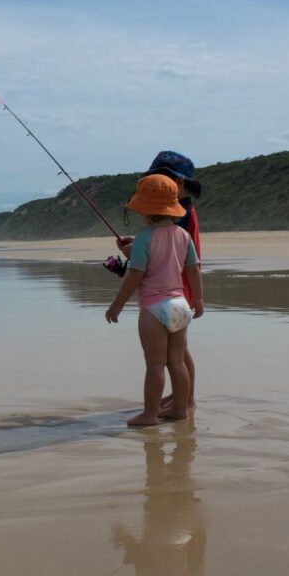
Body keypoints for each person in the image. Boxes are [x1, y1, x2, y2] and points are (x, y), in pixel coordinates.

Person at [106, 174, 204, 427]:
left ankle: (150, 414)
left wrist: (117, 304)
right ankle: (180, 409)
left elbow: (134, 275)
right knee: (177, 361)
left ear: (145, 212)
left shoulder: (144, 239)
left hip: (154, 308)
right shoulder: (184, 235)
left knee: (155, 365)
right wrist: (199, 299)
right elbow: (193, 269)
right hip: (181, 305)